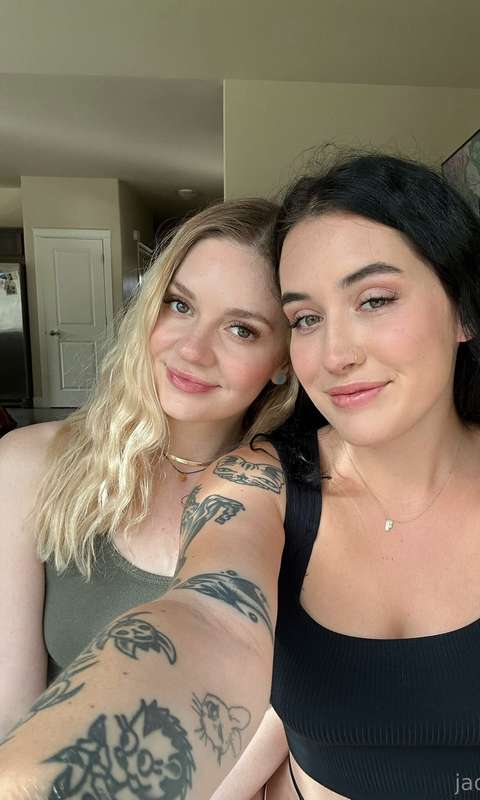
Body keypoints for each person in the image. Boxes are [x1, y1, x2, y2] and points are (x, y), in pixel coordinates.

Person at [2, 154, 480, 800]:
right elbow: (210, 621)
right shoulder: (255, 484)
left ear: (464, 309)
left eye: (374, 300)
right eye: (307, 319)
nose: (336, 355)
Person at [0, 198, 295, 741]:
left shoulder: (298, 504)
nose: (193, 350)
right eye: (180, 305)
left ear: (283, 359)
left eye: (242, 329)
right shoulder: (28, 465)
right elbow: (9, 711)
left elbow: (282, 722)